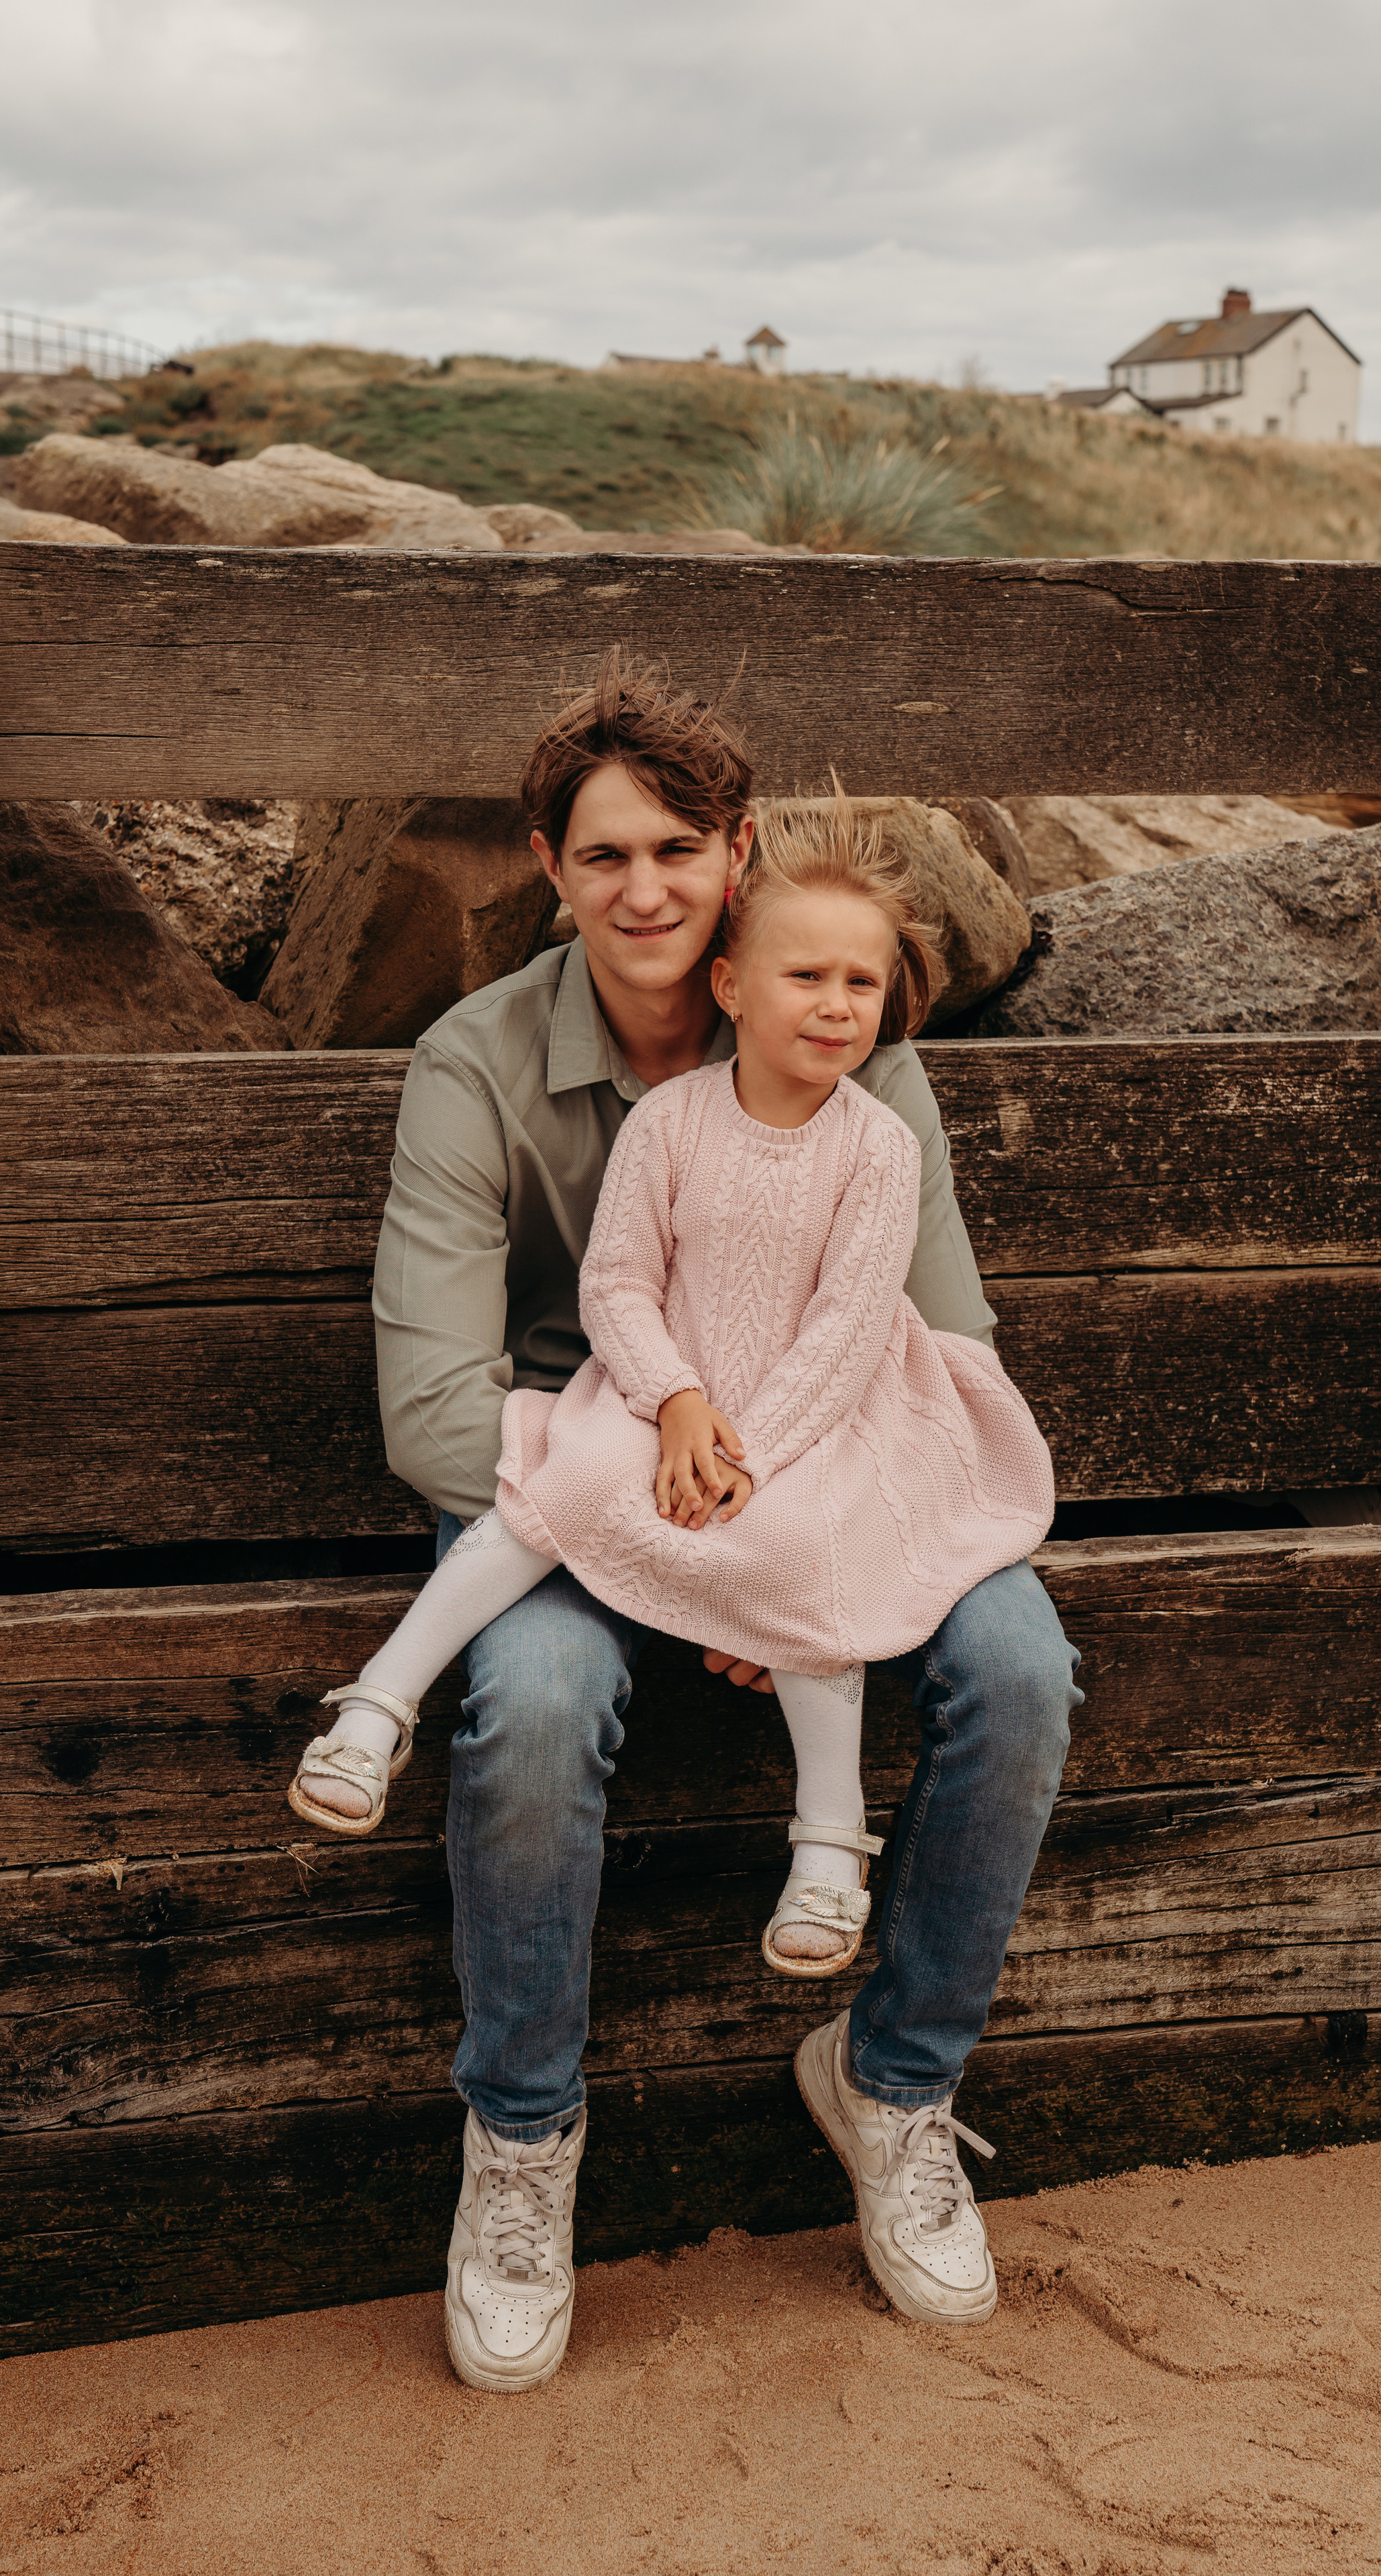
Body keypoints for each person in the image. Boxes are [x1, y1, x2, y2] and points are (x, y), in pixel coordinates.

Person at [308, 655, 1080, 2394]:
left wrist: (774, 1528)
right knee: (545, 1702)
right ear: (551, 866)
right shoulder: (476, 1066)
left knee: (1022, 1661)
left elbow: (940, 1345)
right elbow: (432, 1414)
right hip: (568, 1487)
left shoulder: (843, 1036)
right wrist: (672, 1514)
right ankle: (519, 2148)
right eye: (604, 858)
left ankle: (893, 2086)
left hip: (822, 1475)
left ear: (738, 857)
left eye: (677, 849)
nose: (643, 890)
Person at [289, 798, 1057, 2002]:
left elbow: (861, 1325)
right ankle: (377, 1706)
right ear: (734, 989)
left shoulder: (876, 1132)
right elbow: (619, 1281)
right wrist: (679, 1404)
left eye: (864, 983)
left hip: (807, 1443)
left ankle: (828, 1847)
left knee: (850, 1584)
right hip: (661, 1414)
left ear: (730, 852)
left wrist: (751, 1494)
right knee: (552, 1488)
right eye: (808, 976)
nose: (839, 1005)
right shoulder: (663, 1119)